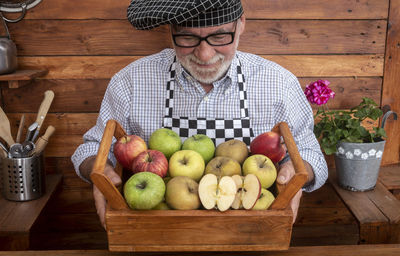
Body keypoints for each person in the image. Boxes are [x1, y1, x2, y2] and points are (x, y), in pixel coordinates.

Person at [71, 0, 328, 228]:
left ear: (240, 25)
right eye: (187, 38)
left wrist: (294, 171)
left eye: (219, 37)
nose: (205, 55)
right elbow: (93, 146)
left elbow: (308, 152)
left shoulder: (278, 82)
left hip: (249, 232)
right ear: (170, 33)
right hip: (157, 232)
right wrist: (100, 169)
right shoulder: (130, 81)